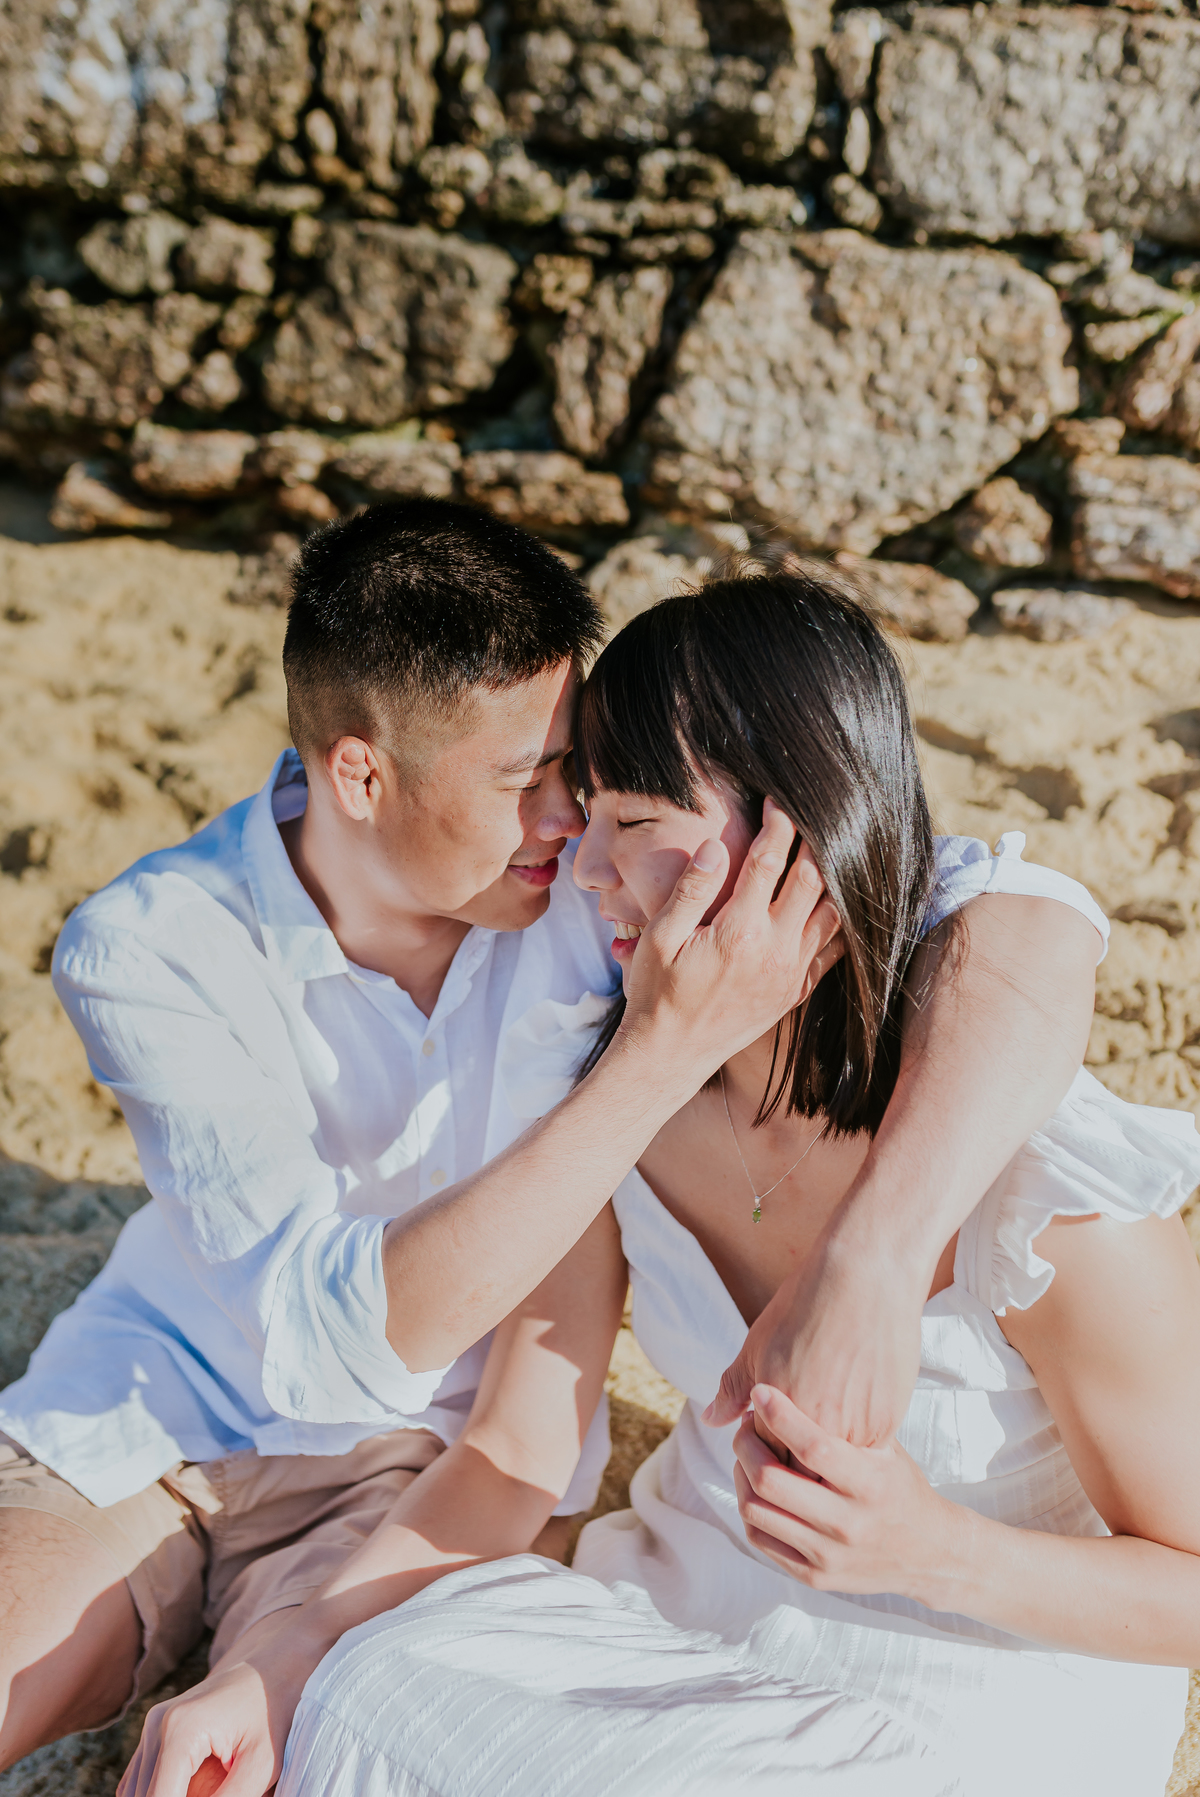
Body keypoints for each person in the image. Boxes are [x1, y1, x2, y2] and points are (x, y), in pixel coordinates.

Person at [0, 505, 1099, 1780]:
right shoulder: (151, 945)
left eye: (574, 767)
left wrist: (875, 1254)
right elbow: (333, 1346)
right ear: (361, 774)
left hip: (424, 1477)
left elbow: (1018, 911)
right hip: (158, 1415)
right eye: (524, 779)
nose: (568, 818)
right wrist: (661, 1053)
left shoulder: (589, 887)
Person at [249, 571, 1200, 1797]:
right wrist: (288, 1649)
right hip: (672, 1627)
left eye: (636, 824)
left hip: (971, 1689)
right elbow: (517, 1444)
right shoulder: (625, 1107)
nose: (585, 869)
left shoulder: (1042, 1194)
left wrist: (931, 1550)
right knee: (371, 1687)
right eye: (585, 812)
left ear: (803, 826)